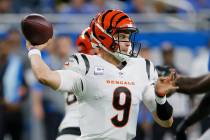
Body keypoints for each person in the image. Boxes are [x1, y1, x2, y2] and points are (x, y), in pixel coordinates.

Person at [25, 9, 177, 140]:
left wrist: (160, 98)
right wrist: (34, 50)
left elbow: (166, 122)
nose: (128, 43)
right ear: (104, 36)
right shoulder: (85, 64)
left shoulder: (142, 66)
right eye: (122, 37)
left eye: (128, 37)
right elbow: (44, 76)